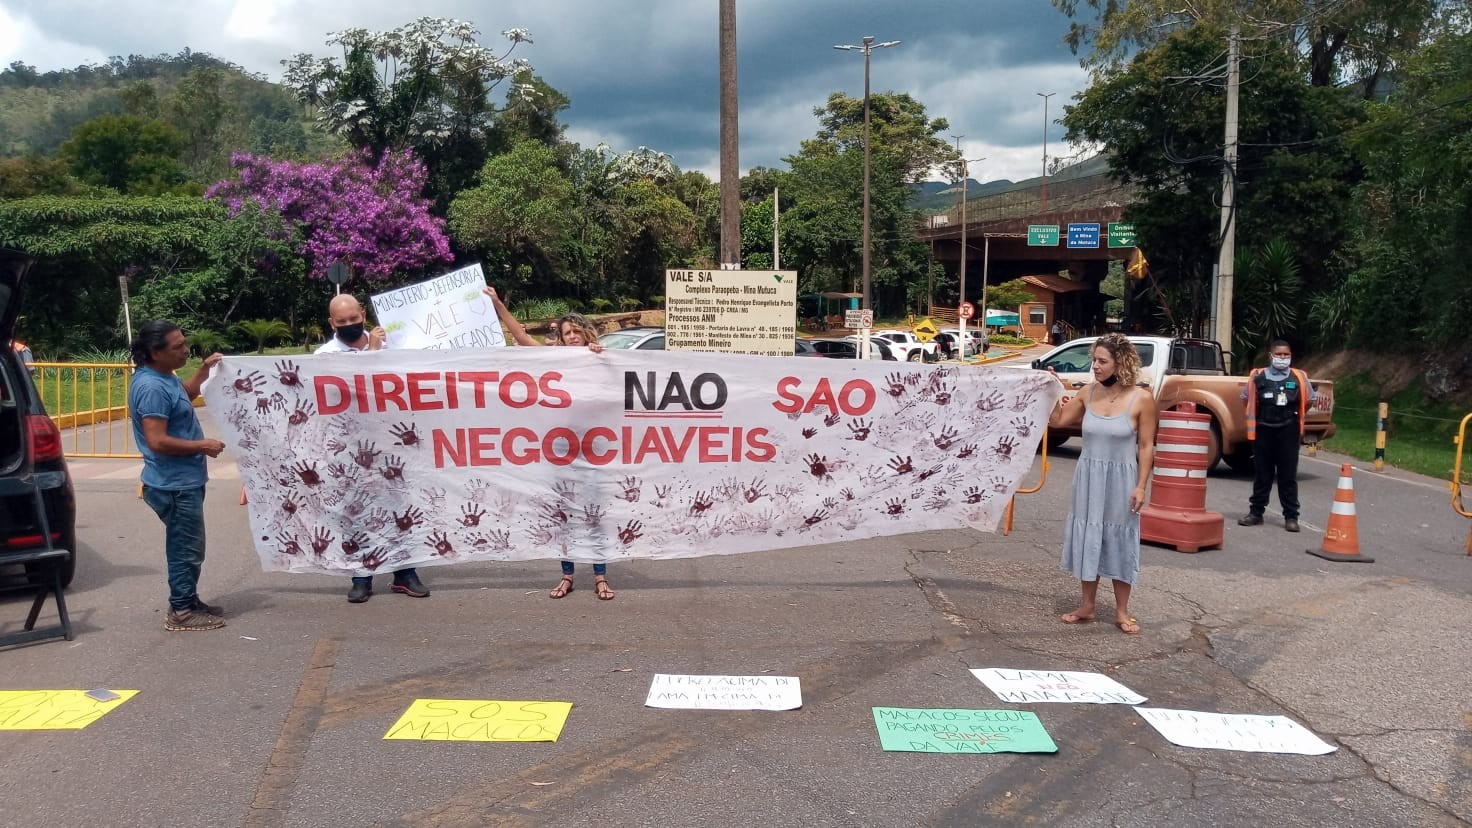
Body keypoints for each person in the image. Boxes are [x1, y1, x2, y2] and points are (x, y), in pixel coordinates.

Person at [484, 286, 613, 600]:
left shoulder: (600, 359)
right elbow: (522, 336)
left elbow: (621, 383)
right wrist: (499, 304)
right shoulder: (551, 358)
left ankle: (600, 576)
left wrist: (602, 355)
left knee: (593, 514)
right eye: (566, 332)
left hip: (593, 447)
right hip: (560, 449)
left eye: (575, 331)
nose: (570, 336)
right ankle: (567, 575)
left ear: (585, 333)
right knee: (564, 514)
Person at [315, 294, 430, 602]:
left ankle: (405, 574)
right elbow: (353, 391)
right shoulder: (325, 355)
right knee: (355, 511)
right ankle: (361, 576)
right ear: (331, 323)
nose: (350, 325)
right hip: (350, 449)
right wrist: (374, 353)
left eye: (354, 319)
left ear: (363, 314)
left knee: (399, 507)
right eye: (342, 322)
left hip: (392, 442)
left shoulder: (393, 343)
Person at [1048, 333, 1158, 635]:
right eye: (1093, 360)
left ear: (1119, 363)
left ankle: (1122, 611)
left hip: (1123, 478)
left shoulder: (1142, 399)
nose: (1094, 366)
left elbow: (1146, 446)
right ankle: (1087, 605)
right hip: (1089, 477)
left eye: (1102, 361)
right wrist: (1051, 388)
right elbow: (1058, 421)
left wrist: (1141, 486)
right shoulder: (1087, 392)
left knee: (1120, 539)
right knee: (1089, 536)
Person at [129, 321, 228, 631]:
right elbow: (157, 440)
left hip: (182, 481)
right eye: (177, 347)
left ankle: (188, 598)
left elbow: (182, 394)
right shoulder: (152, 387)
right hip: (173, 485)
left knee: (189, 546)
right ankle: (182, 611)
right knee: (185, 547)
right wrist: (202, 445)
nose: (185, 350)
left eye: (184, 343)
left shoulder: (163, 378)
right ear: (155, 353)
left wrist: (202, 371)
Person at [1238, 340, 1315, 533]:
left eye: (1285, 354)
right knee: (1262, 474)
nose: (1282, 358)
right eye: (1278, 354)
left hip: (1288, 430)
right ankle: (1256, 513)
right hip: (1263, 429)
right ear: (1270, 356)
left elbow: (1309, 400)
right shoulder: (1258, 376)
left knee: (1288, 475)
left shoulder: (1299, 376)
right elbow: (1246, 399)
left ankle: (1291, 516)